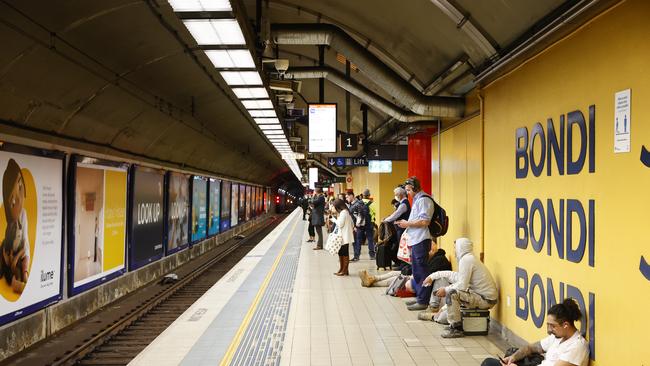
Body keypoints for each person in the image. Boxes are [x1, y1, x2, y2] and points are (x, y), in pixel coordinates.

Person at [423, 237, 497, 338]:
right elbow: (456, 277)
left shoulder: (467, 260)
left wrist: (445, 290)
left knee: (452, 293)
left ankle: (456, 329)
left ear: (460, 247)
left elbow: (461, 285)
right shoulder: (469, 258)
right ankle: (449, 323)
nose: (454, 251)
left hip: (485, 300)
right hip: (483, 297)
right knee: (451, 294)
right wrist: (433, 276)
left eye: (455, 247)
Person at [481, 298, 589, 366]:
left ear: (565, 325)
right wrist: (513, 357)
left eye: (552, 326)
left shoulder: (577, 346)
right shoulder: (558, 337)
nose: (549, 330)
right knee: (489, 362)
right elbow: (531, 348)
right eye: (548, 325)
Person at [396, 176, 434, 311]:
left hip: (421, 240)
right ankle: (420, 298)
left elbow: (425, 221)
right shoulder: (417, 199)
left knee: (422, 272)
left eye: (408, 190)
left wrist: (407, 223)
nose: (407, 193)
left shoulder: (424, 200)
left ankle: (423, 301)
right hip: (416, 239)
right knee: (417, 272)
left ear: (414, 188)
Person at [383, 186, 411, 267]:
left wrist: (386, 220)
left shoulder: (403, 204)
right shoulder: (402, 203)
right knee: (399, 246)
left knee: (402, 247)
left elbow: (396, 215)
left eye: (396, 194)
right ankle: (400, 263)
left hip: (402, 229)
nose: (395, 196)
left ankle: (403, 265)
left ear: (400, 195)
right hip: (400, 228)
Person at [331, 199, 354, 276]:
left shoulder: (344, 213)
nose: (333, 207)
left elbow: (340, 224)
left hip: (344, 236)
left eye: (334, 206)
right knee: (341, 252)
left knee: (344, 252)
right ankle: (342, 269)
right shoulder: (345, 212)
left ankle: (344, 270)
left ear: (338, 206)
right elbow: (352, 223)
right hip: (343, 236)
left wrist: (333, 219)